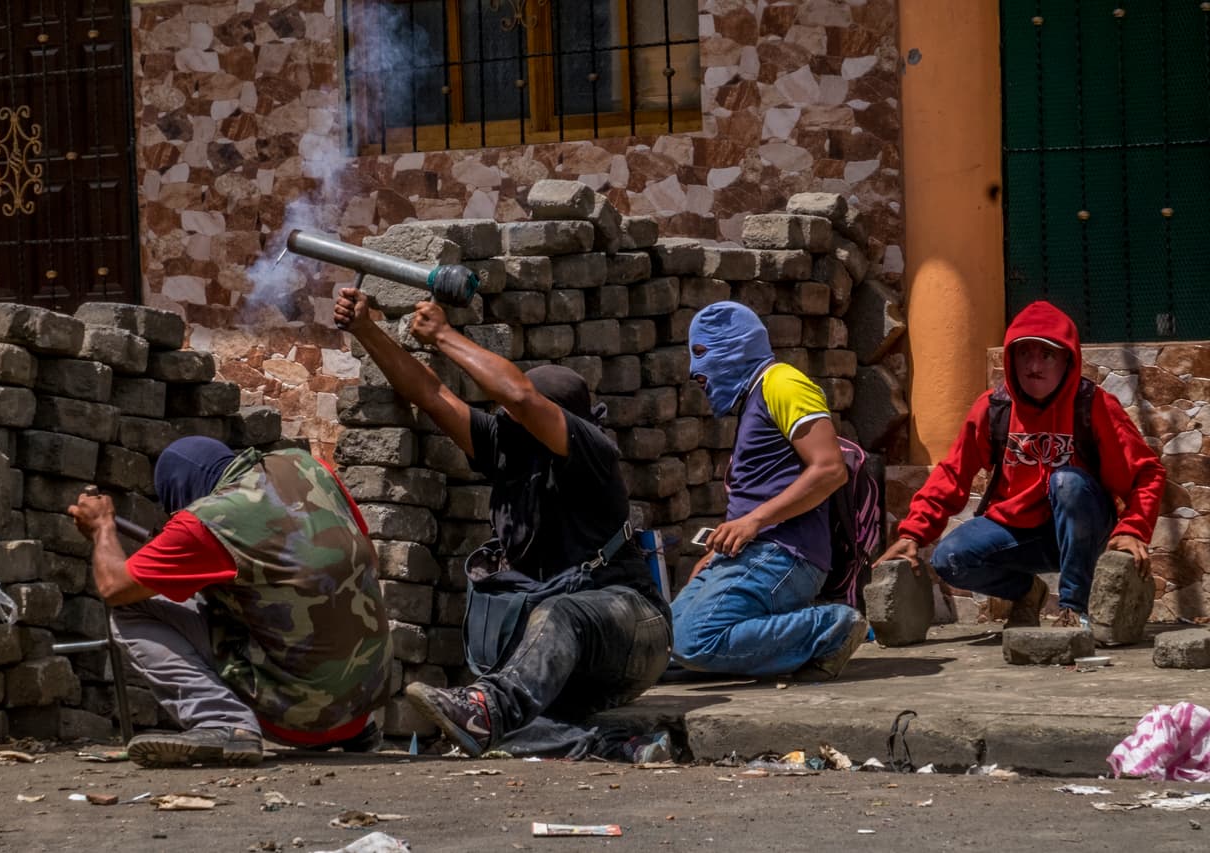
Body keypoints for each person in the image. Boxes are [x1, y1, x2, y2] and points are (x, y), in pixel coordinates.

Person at [333, 289, 671, 758]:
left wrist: (444, 335)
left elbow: (520, 394)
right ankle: (619, 748)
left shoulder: (591, 453)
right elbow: (430, 394)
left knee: (559, 616)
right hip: (563, 658)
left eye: (518, 418)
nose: (504, 421)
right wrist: (367, 328)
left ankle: (489, 705)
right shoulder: (508, 446)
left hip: (631, 629)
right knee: (494, 724)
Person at [67, 436, 391, 767]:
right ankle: (357, 731)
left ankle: (222, 723)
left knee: (132, 607)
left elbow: (113, 586)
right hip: (363, 702)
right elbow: (369, 562)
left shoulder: (204, 522)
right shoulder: (308, 466)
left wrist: (102, 529)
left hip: (304, 719)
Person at [876, 300, 1166, 629]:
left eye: (1047, 354)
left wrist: (1132, 530)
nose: (1034, 365)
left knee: (1066, 483)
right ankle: (1027, 592)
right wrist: (913, 534)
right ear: (1011, 360)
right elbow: (952, 473)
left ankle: (1074, 610)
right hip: (1019, 533)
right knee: (949, 559)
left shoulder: (1094, 406)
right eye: (1024, 353)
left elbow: (1146, 473)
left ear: (1067, 360)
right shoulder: (993, 408)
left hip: (1083, 528)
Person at [669, 301, 867, 680]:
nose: (696, 372)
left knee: (694, 641)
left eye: (701, 353)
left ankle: (830, 626)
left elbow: (829, 470)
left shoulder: (782, 382)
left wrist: (753, 522)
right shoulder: (754, 399)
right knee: (660, 648)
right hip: (753, 552)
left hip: (785, 552)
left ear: (735, 345)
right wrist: (715, 555)